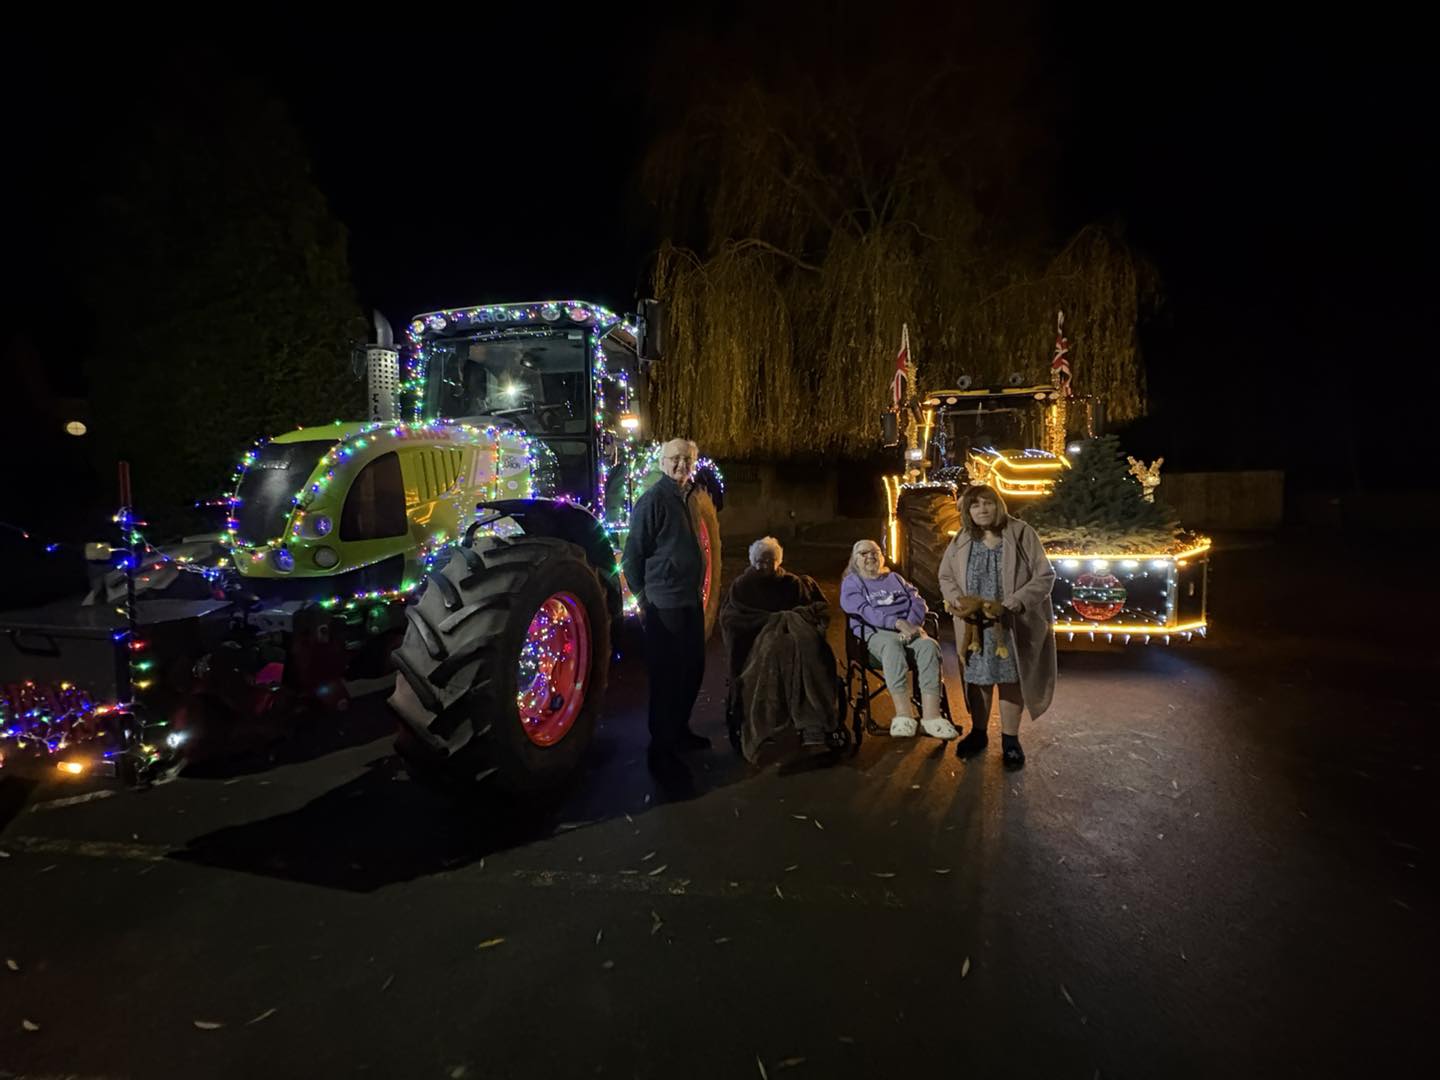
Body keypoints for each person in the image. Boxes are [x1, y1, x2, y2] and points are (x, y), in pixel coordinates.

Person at [937, 484, 1056, 768]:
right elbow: (946, 576)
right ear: (968, 511)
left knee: (1010, 679)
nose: (982, 510)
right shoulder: (962, 539)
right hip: (976, 628)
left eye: (987, 503)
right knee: (978, 679)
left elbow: (1044, 576)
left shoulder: (1021, 533)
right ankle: (979, 734)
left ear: (998, 505)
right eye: (975, 505)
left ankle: (1010, 740)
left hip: (1011, 625)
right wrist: (959, 600)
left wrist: (1014, 602)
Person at [622, 438, 708, 769]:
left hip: (689, 599)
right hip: (664, 604)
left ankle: (680, 730)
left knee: (693, 668)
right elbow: (632, 557)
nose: (681, 464)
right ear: (662, 463)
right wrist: (645, 600)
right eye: (674, 458)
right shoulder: (653, 500)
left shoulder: (691, 497)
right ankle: (661, 745)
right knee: (667, 676)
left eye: (687, 459)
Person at [720, 537, 832, 755]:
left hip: (792, 636)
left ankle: (810, 719)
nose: (764, 565)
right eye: (760, 561)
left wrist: (788, 620)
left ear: (778, 562)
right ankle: (768, 720)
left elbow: (807, 609)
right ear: (752, 561)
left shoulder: (792, 583)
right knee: (772, 651)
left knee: (805, 650)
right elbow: (734, 617)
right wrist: (769, 622)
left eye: (769, 561)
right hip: (758, 639)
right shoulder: (743, 586)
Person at [840, 540, 958, 739]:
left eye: (875, 552)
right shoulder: (852, 582)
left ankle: (932, 717)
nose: (870, 556)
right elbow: (862, 610)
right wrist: (896, 623)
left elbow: (918, 601)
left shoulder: (895, 578)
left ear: (882, 556)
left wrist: (911, 624)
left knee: (929, 646)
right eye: (864, 553)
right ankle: (904, 716)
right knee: (892, 646)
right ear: (855, 560)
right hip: (876, 632)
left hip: (908, 629)